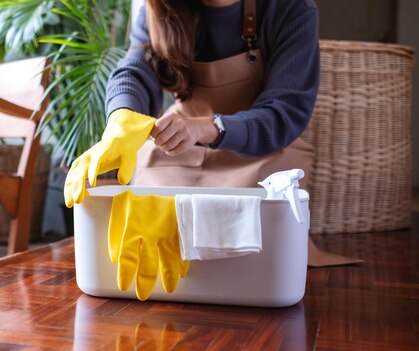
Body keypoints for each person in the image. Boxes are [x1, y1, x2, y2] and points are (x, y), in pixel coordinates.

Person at [65, 0, 361, 279]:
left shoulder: (291, 7)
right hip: (178, 148)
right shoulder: (160, 6)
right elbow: (135, 69)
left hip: (263, 150)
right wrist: (122, 115)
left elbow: (285, 111)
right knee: (146, 212)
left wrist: (208, 128)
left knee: (251, 242)